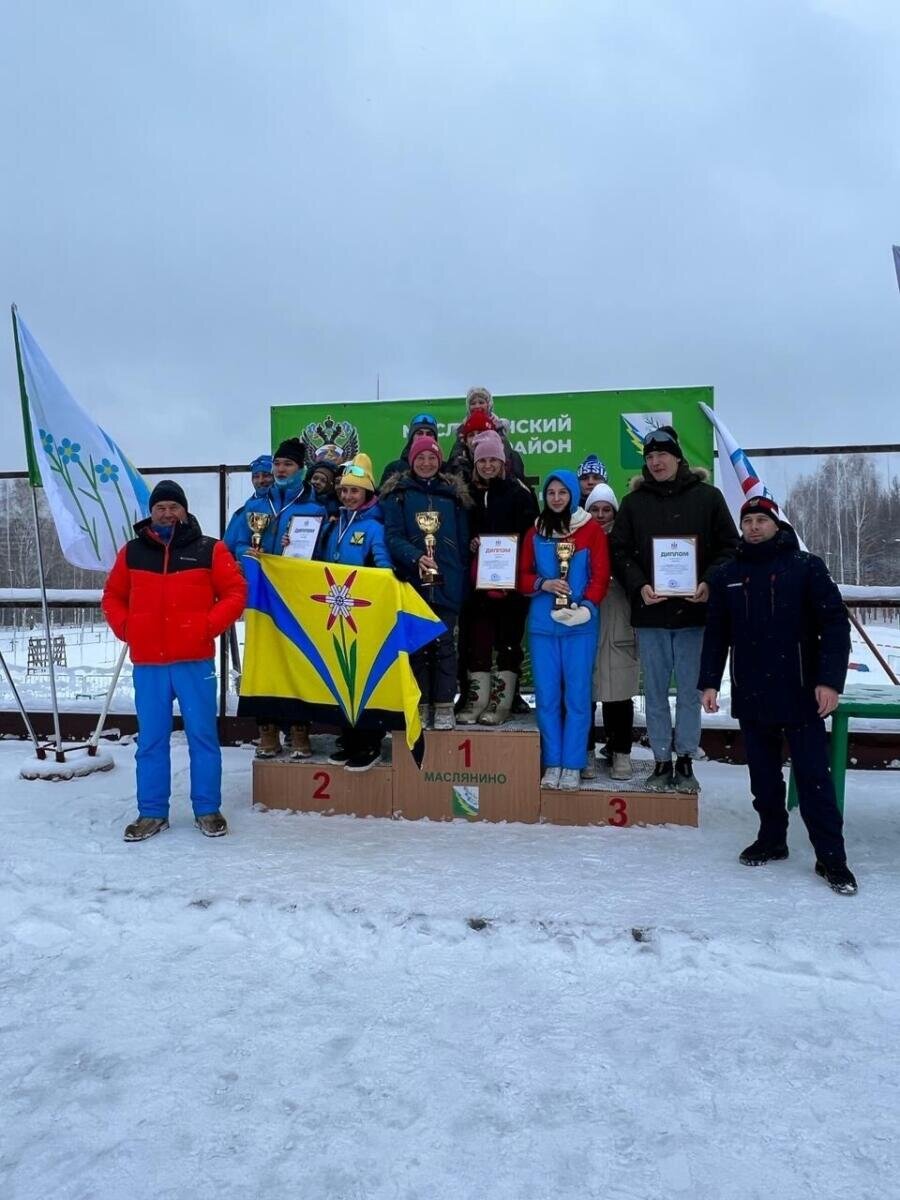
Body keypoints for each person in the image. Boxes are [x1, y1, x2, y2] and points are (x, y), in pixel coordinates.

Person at [699, 496, 857, 895]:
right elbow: (717, 633)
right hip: (753, 692)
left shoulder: (805, 567)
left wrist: (829, 682)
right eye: (747, 521)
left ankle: (831, 857)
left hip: (802, 692)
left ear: (776, 524)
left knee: (813, 778)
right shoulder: (729, 575)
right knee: (763, 777)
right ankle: (772, 840)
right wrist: (710, 682)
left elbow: (835, 625)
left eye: (760, 520)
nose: (753, 527)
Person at [102, 481, 246, 842]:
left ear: (185, 510)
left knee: (203, 737)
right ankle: (152, 812)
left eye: (173, 506)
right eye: (160, 507)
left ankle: (208, 809)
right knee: (150, 740)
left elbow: (235, 592)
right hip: (149, 664)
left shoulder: (209, 549)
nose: (167, 513)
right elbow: (113, 596)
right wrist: (127, 628)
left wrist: (207, 626)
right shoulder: (132, 552)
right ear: (152, 512)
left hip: (194, 661)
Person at [609, 425, 738, 793]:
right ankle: (660, 760)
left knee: (688, 692)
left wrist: (708, 582)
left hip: (694, 614)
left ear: (678, 458)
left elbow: (729, 547)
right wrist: (640, 586)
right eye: (649, 458)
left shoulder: (708, 498)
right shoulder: (634, 503)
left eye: (662, 455)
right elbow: (619, 552)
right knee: (653, 691)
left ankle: (684, 760)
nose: (656, 462)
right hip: (651, 614)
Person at [232, 436, 326, 759]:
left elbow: (323, 554)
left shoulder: (314, 509)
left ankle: (299, 729)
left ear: (301, 469)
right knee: (263, 662)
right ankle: (267, 729)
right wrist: (252, 552)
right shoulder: (255, 507)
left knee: (297, 660)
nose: (281, 469)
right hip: (261, 596)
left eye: (288, 464)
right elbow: (235, 544)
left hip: (296, 598)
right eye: (278, 464)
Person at [519, 469, 610, 790]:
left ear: (573, 494)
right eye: (551, 492)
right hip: (544, 627)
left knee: (577, 697)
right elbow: (522, 577)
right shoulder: (535, 532)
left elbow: (600, 576)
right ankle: (552, 762)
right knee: (545, 697)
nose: (557, 498)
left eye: (563, 492)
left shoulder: (590, 531)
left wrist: (587, 607)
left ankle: (573, 764)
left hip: (579, 627)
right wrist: (543, 583)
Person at [381, 432, 472, 730]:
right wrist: (415, 556)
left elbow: (462, 540)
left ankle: (444, 704)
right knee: (417, 645)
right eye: (420, 457)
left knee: (445, 644)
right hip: (412, 581)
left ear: (439, 460)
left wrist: (460, 568)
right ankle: (420, 703)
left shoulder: (454, 495)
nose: (426, 462)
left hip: (448, 581)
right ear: (411, 460)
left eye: (432, 457)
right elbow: (392, 537)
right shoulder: (398, 495)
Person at [316, 454, 393, 771]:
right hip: (335, 612)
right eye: (344, 490)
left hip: (362, 614)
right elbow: (318, 561)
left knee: (364, 679)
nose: (348, 496)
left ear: (367, 493)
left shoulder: (374, 527)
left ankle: (370, 742)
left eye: (355, 491)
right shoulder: (334, 525)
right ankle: (349, 739)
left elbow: (384, 566)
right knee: (341, 678)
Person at [457, 430, 538, 726]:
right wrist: (472, 544)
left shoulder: (519, 494)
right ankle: (477, 700)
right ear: (475, 463)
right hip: (478, 585)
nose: (488, 465)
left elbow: (532, 537)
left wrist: (516, 563)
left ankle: (501, 703)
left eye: (493, 459)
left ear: (503, 462)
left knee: (508, 642)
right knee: (477, 641)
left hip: (512, 585)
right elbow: (461, 532)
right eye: (483, 460)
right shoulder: (468, 495)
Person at [585, 482, 639, 781]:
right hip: (586, 626)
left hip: (619, 624)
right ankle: (587, 753)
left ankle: (621, 754)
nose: (601, 515)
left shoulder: (626, 541)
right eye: (595, 509)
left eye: (607, 510)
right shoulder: (576, 539)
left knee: (619, 696)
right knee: (585, 696)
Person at [447, 388, 526, 482]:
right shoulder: (461, 437)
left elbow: (511, 468)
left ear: (489, 405)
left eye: (481, 402)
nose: (477, 406)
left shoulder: (501, 434)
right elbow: (453, 467)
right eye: (473, 403)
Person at [223, 454, 274, 555]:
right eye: (256, 476)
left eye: (266, 475)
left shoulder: (283, 507)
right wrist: (243, 555)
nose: (261, 481)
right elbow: (228, 546)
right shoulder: (241, 512)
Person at [379, 413, 442, 486]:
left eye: (429, 434)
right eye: (419, 433)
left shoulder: (445, 469)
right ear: (411, 437)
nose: (424, 437)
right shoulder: (394, 468)